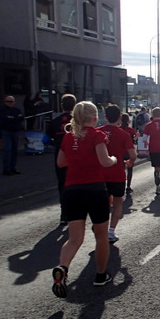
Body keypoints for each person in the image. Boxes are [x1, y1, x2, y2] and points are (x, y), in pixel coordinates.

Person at [51, 101, 118, 297]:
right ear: (95, 117)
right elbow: (105, 162)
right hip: (95, 189)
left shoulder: (68, 137)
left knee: (74, 239)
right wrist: (114, 159)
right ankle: (100, 275)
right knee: (101, 236)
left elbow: (61, 162)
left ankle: (62, 269)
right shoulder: (97, 135)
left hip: (72, 190)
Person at [100, 104, 136, 244]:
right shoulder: (124, 134)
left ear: (105, 117)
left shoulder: (98, 132)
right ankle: (111, 231)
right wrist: (129, 162)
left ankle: (100, 226)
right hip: (117, 173)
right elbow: (132, 154)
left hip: (99, 174)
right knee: (118, 202)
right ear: (120, 118)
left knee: (102, 202)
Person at [47, 94, 77, 220]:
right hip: (76, 156)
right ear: (75, 106)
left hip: (60, 156)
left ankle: (64, 214)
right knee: (76, 184)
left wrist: (57, 143)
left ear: (61, 105)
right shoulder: (78, 121)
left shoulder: (55, 121)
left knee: (62, 184)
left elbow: (47, 139)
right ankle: (75, 212)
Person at [142, 107, 160, 195]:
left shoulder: (149, 124)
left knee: (156, 167)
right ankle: (159, 174)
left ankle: (158, 187)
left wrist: (148, 143)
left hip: (153, 149)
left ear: (152, 114)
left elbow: (144, 138)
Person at [0, 95, 25, 176]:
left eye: (11, 101)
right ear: (5, 102)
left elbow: (22, 118)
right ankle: (6, 169)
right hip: (6, 132)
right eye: (7, 101)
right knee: (7, 150)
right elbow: (4, 119)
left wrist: (12, 118)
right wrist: (15, 118)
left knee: (15, 151)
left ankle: (12, 168)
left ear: (14, 102)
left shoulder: (17, 109)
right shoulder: (2, 110)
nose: (9, 103)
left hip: (15, 132)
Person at [119, 112, 138, 194]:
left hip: (120, 153)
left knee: (121, 170)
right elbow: (137, 135)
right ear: (128, 121)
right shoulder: (130, 130)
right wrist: (134, 140)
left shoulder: (118, 129)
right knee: (130, 170)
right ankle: (128, 186)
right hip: (129, 152)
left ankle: (121, 185)